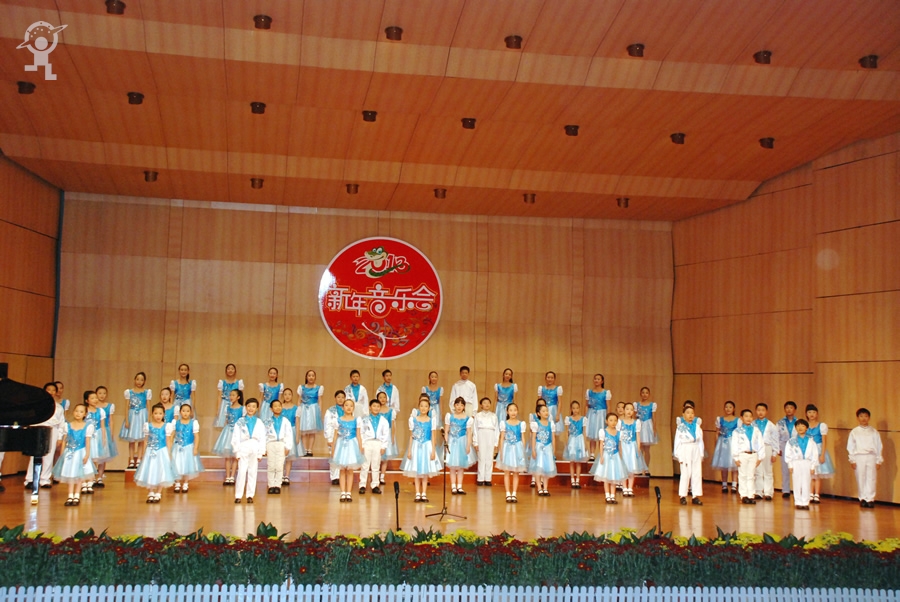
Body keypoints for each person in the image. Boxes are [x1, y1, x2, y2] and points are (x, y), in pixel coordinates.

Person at [51, 403, 95, 507]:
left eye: (81, 412)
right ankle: (70, 495)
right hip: (69, 453)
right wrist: (62, 454)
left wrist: (87, 455)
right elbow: (65, 440)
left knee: (79, 475)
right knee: (70, 474)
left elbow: (87, 442)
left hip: (81, 452)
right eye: (76, 411)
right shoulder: (68, 425)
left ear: (85, 414)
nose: (78, 413)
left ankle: (77, 495)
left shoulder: (88, 426)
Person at [24, 382, 66, 491]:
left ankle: (45, 480)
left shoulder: (59, 407)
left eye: (53, 390)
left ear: (56, 392)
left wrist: (60, 438)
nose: (51, 392)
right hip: (38, 430)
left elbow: (61, 424)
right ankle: (30, 479)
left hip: (53, 430)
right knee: (35, 455)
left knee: (49, 455)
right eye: (48, 390)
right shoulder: (38, 405)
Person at [400, 397, 442, 502]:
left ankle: (424, 493)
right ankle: (417, 493)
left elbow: (433, 437)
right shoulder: (413, 420)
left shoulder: (431, 421)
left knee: (425, 471)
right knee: (417, 471)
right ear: (419, 407)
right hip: (416, 446)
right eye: (421, 406)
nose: (423, 408)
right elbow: (411, 436)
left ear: (429, 408)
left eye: (426, 406)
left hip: (427, 446)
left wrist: (433, 451)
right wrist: (409, 450)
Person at [133, 403, 176, 504]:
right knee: (150, 470)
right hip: (150, 451)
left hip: (162, 451)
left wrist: (169, 453)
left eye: (160, 413)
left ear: (163, 414)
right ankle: (151, 492)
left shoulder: (166, 426)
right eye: (156, 413)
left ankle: (159, 492)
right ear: (152, 414)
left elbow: (168, 440)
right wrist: (144, 453)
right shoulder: (148, 426)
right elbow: (145, 440)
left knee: (161, 471)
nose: (158, 416)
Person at [232, 398, 266, 504]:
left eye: (253, 407)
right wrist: (237, 451)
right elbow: (236, 437)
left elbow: (262, 438)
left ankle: (250, 495)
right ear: (246, 407)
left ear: (257, 408)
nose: (251, 408)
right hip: (243, 446)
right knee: (242, 471)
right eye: (249, 406)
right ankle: (238, 495)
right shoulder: (240, 421)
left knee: (253, 472)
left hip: (255, 446)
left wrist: (261, 452)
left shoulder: (259, 422)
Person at [848, 408, 883, 508]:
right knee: (860, 477)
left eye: (866, 416)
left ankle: (870, 498)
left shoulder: (874, 432)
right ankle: (862, 498)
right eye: (861, 416)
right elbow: (851, 446)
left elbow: (879, 446)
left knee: (871, 477)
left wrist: (878, 460)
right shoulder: (854, 432)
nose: (864, 418)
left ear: (869, 418)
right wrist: (852, 459)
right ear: (858, 418)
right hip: (859, 456)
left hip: (871, 456)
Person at [331, 396, 365, 502]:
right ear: (343, 407)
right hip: (341, 446)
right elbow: (335, 436)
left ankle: (349, 493)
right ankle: (342, 493)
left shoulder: (357, 420)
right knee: (342, 470)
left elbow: (358, 435)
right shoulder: (338, 420)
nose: (349, 407)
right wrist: (333, 449)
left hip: (352, 445)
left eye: (351, 406)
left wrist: (360, 448)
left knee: (350, 470)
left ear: (353, 408)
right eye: (346, 405)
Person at [673, 402, 704, 505]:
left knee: (697, 473)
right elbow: (677, 442)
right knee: (686, 473)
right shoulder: (680, 427)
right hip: (685, 449)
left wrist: (701, 454)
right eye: (688, 413)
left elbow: (700, 441)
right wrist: (678, 455)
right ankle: (683, 495)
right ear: (683, 415)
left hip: (695, 449)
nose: (690, 415)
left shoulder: (697, 426)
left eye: (692, 413)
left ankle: (695, 495)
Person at [731, 409, 764, 504]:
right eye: (746, 416)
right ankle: (744, 495)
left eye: (750, 416)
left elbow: (760, 443)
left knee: (751, 475)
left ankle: (751, 495)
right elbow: (734, 445)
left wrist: (760, 457)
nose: (748, 418)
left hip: (753, 454)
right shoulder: (737, 431)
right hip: (742, 454)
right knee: (743, 475)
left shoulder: (756, 430)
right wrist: (736, 457)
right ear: (741, 418)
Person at [496, 402, 528, 503]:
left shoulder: (521, 424)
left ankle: (514, 493)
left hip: (517, 448)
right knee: (506, 472)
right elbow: (502, 438)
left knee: (516, 472)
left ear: (517, 411)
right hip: (507, 448)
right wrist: (501, 451)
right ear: (507, 412)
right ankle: (507, 493)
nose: (513, 412)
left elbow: (523, 438)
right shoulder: (504, 423)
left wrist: (523, 451)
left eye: (515, 410)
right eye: (511, 410)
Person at [119, 371, 151, 469]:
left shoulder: (146, 392)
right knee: (131, 439)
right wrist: (127, 420)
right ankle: (132, 459)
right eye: (137, 379)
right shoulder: (129, 392)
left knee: (141, 439)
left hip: (142, 415)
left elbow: (149, 406)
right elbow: (126, 407)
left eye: (141, 380)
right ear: (134, 380)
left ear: (144, 381)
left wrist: (148, 419)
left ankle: (139, 459)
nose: (139, 382)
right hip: (132, 415)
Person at [212, 389, 244, 485]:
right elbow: (226, 420)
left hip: (237, 432)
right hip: (228, 432)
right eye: (230, 395)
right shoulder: (227, 408)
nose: (231, 397)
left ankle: (232, 476)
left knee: (235, 456)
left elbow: (243, 422)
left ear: (238, 397)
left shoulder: (242, 409)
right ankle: (227, 476)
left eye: (233, 395)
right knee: (227, 457)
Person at [446, 397, 476, 494]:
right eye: (457, 404)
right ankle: (453, 486)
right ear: (454, 405)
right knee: (452, 467)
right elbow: (446, 431)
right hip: (452, 442)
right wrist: (446, 443)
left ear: (464, 407)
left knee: (461, 466)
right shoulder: (450, 417)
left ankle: (459, 486)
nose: (459, 407)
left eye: (461, 405)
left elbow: (469, 433)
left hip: (462, 442)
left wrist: (468, 445)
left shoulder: (467, 419)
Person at [785, 419, 818, 510]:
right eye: (798, 426)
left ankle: (805, 502)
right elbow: (788, 453)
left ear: (806, 428)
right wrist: (790, 465)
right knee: (797, 482)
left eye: (803, 426)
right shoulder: (791, 441)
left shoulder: (811, 441)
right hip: (796, 462)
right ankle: (798, 501)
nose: (800, 428)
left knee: (806, 482)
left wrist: (813, 466)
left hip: (807, 462)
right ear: (795, 428)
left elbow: (814, 454)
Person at [171, 403, 204, 493]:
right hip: (177, 447)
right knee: (177, 465)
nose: (185, 413)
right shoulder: (175, 422)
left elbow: (196, 436)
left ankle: (185, 483)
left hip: (188, 447)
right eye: (183, 411)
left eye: (187, 411)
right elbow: (172, 435)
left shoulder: (193, 423)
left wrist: (195, 448)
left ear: (190, 412)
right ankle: (177, 483)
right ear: (180, 412)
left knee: (187, 466)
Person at [359, 398, 389, 495]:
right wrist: (362, 445)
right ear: (370, 407)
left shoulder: (383, 420)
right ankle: (362, 485)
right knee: (365, 465)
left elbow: (385, 434)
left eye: (378, 406)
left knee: (376, 465)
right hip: (367, 443)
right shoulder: (365, 419)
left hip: (378, 443)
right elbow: (361, 432)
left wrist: (383, 446)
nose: (376, 408)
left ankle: (375, 485)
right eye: (374, 406)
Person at [805, 404, 834, 503]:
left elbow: (824, 441)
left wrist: (822, 454)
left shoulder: (821, 425)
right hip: (809, 451)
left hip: (818, 449)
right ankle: (810, 494)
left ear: (817, 414)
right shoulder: (804, 425)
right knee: (810, 474)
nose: (811, 414)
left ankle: (817, 494)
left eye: (813, 412)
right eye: (809, 412)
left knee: (817, 474)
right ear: (806, 414)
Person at [618, 402, 647, 497]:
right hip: (623, 446)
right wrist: (618, 447)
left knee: (632, 469)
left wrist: (638, 448)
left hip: (632, 447)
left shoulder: (636, 423)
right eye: (627, 409)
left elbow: (638, 436)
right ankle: (624, 487)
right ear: (624, 410)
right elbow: (618, 436)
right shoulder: (620, 422)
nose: (629, 411)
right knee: (623, 468)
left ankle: (630, 488)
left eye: (631, 409)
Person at [82, 390, 108, 495]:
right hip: (87, 436)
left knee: (99, 457)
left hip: (97, 435)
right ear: (86, 400)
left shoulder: (100, 411)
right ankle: (90, 478)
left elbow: (102, 426)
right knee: (89, 457)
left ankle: (98, 477)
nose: (95, 400)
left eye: (95, 398)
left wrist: (104, 438)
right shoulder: (84, 410)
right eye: (92, 398)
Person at [265, 399, 293, 495]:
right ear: (271, 409)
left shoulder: (285, 421)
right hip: (271, 444)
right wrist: (264, 447)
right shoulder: (267, 421)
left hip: (281, 444)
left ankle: (277, 485)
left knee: (279, 465)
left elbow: (288, 434)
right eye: (275, 406)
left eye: (279, 406)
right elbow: (264, 435)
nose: (277, 408)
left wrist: (288, 447)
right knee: (271, 465)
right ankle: (271, 485)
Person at [711, 401, 739, 493]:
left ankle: (734, 485)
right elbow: (717, 432)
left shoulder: (738, 420)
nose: (728, 409)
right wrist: (716, 444)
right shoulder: (720, 419)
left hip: (733, 442)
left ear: (734, 409)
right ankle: (724, 484)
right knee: (723, 463)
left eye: (730, 407)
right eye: (726, 407)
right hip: (722, 442)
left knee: (734, 464)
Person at [530, 403, 557, 496]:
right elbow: (533, 437)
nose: (546, 412)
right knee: (538, 467)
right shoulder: (536, 424)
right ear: (538, 413)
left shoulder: (551, 424)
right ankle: (539, 487)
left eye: (547, 411)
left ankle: (545, 488)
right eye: (543, 411)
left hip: (548, 447)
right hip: (539, 447)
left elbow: (553, 437)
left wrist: (554, 449)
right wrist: (533, 450)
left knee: (547, 469)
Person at [753, 403, 778, 501]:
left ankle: (768, 492)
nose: (760, 412)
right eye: (758, 410)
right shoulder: (753, 424)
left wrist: (774, 453)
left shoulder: (771, 425)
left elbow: (775, 440)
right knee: (757, 471)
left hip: (767, 447)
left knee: (768, 471)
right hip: (756, 448)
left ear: (766, 412)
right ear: (756, 411)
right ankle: (758, 491)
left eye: (763, 410)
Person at [94, 385, 117, 486]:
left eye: (104, 393)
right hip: (93, 432)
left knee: (103, 455)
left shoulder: (109, 406)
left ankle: (100, 477)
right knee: (93, 454)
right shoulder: (93, 406)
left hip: (104, 431)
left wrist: (111, 433)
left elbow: (111, 420)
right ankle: (92, 477)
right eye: (100, 393)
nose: (102, 395)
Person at [280, 388, 303, 486]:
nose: (287, 396)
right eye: (285, 394)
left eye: (289, 394)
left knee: (289, 456)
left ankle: (287, 476)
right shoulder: (279, 406)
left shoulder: (296, 408)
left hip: (291, 432)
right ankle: (279, 475)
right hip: (281, 432)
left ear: (292, 396)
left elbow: (297, 423)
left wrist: (297, 435)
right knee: (281, 455)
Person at [473, 397, 499, 486]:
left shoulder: (494, 416)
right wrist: (475, 442)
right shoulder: (478, 415)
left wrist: (496, 442)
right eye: (484, 403)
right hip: (481, 434)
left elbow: (497, 430)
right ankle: (480, 478)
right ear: (481, 405)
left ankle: (488, 479)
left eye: (488, 403)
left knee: (489, 457)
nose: (487, 404)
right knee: (481, 457)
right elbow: (475, 429)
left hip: (491, 435)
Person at [323, 390, 347, 486]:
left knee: (343, 456)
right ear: (335, 398)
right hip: (334, 436)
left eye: (342, 397)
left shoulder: (348, 409)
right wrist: (329, 438)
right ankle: (334, 477)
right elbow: (327, 425)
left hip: (345, 436)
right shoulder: (330, 411)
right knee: (334, 456)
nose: (341, 399)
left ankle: (341, 475)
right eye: (338, 397)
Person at [563, 400, 589, 488]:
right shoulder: (568, 419)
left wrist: (585, 443)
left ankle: (577, 480)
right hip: (572, 440)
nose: (575, 410)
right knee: (572, 461)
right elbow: (567, 431)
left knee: (578, 462)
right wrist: (567, 442)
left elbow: (584, 432)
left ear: (579, 408)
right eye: (573, 408)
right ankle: (572, 480)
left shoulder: (583, 419)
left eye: (577, 408)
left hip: (580, 440)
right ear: (571, 409)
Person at [584, 374, 610, 460]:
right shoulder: (589, 392)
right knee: (592, 434)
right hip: (591, 414)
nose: (596, 380)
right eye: (595, 379)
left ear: (602, 381)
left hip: (601, 415)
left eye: (598, 379)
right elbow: (586, 405)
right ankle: (592, 454)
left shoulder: (606, 392)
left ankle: (601, 453)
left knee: (600, 434)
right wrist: (585, 416)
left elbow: (608, 406)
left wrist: (608, 418)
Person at [776, 401, 799, 499]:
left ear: (795, 410)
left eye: (791, 407)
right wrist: (778, 448)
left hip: (796, 446)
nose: (789, 409)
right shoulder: (780, 422)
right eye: (787, 408)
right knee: (785, 469)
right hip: (784, 446)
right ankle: (786, 490)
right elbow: (776, 436)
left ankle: (797, 490)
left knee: (796, 468)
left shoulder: (799, 422)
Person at [299, 370, 324, 456]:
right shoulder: (301, 387)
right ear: (306, 377)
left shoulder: (318, 388)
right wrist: (298, 410)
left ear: (315, 377)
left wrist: (319, 411)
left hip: (314, 409)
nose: (311, 377)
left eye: (313, 375)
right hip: (304, 409)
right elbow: (299, 400)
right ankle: (304, 449)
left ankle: (310, 449)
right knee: (303, 430)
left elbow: (320, 400)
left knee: (312, 431)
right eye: (309, 375)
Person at [379, 390, 400, 484]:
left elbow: (393, 424)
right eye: (380, 397)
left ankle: (382, 477)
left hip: (387, 434)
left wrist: (392, 437)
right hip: (378, 435)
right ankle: (374, 476)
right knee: (377, 457)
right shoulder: (376, 409)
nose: (382, 399)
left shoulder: (391, 411)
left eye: (384, 397)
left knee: (385, 458)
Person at [215, 364, 244, 428]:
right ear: (226, 371)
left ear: (235, 371)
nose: (230, 370)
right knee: (223, 424)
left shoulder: (239, 383)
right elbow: (219, 396)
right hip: (224, 405)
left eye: (232, 369)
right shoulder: (222, 382)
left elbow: (241, 396)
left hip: (235, 405)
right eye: (228, 369)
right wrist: (218, 409)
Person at [422, 371, 443, 444]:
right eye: (432, 377)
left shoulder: (440, 389)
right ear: (429, 378)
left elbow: (440, 402)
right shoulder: (425, 389)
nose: (434, 378)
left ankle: (434, 443)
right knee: (427, 425)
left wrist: (441, 413)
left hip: (436, 410)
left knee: (435, 427)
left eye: (435, 377)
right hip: (427, 409)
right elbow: (423, 400)